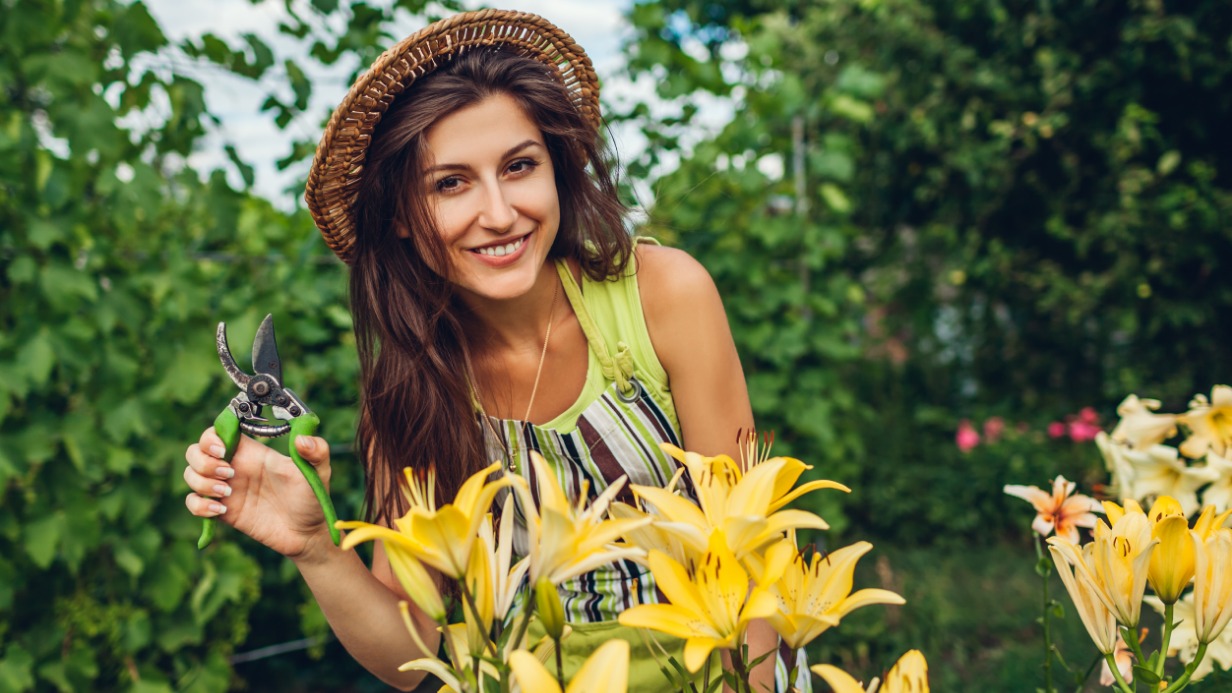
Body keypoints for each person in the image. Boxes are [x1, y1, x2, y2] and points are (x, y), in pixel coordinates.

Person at [183, 9, 803, 691]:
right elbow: (406, 654)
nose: (501, 212)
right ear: (399, 216)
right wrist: (316, 548)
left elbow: (749, 549)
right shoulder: (413, 387)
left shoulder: (666, 296)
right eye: (451, 183)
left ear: (557, 169)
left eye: (519, 166)